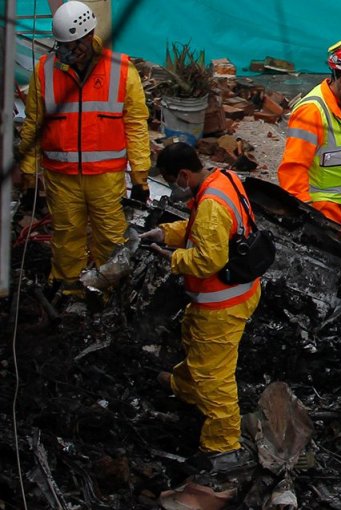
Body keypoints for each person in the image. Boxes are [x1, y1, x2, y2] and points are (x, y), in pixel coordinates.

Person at [139, 143, 260, 468]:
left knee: (215, 378)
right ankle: (185, 388)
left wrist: (172, 257)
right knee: (195, 343)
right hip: (236, 292)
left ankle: (223, 447)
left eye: (169, 179)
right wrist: (164, 233)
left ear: (182, 174)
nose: (172, 185)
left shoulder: (210, 205)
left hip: (222, 304)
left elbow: (208, 258)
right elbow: (204, 233)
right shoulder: (224, 179)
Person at [17, 1, 151, 292]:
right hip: (61, 176)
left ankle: (105, 292)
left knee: (111, 237)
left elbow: (136, 124)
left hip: (105, 176)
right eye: (62, 45)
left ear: (89, 37)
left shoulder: (122, 70)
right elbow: (33, 123)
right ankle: (69, 290)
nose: (66, 53)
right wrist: (28, 175)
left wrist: (141, 176)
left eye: (73, 46)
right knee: (67, 236)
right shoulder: (44, 70)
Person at [277, 41, 341, 228]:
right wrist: (306, 219)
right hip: (320, 220)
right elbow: (293, 172)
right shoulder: (312, 112)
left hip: (338, 218)